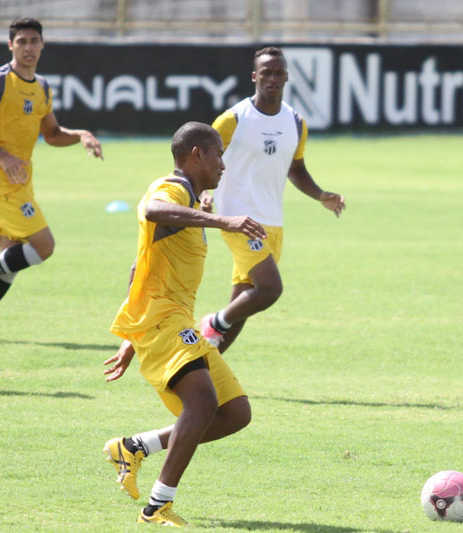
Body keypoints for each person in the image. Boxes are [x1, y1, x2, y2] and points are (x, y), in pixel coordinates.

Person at [102, 122, 266, 526]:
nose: (223, 165)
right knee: (203, 403)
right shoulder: (171, 189)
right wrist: (223, 221)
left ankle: (134, 446)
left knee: (235, 412)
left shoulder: (190, 202)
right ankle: (158, 505)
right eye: (218, 155)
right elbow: (152, 210)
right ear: (197, 155)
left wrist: (131, 337)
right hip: (163, 317)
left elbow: (140, 265)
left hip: (167, 319)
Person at [0, 17, 103, 341]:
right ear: (10, 45)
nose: (28, 47)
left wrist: (81, 134)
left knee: (11, 261)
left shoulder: (42, 86)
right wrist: (2, 155)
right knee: (44, 246)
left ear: (42, 45)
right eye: (21, 41)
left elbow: (53, 134)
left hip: (21, 180)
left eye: (34, 41)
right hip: (0, 180)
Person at [199, 47, 346, 353]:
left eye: (279, 73)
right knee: (269, 289)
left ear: (287, 77)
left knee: (246, 299)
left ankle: (204, 367)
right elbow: (200, 158)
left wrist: (320, 195)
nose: (272, 78)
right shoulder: (233, 119)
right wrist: (202, 192)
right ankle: (214, 322)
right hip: (238, 218)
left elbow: (296, 169)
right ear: (254, 76)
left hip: (273, 222)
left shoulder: (296, 122)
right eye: (266, 72)